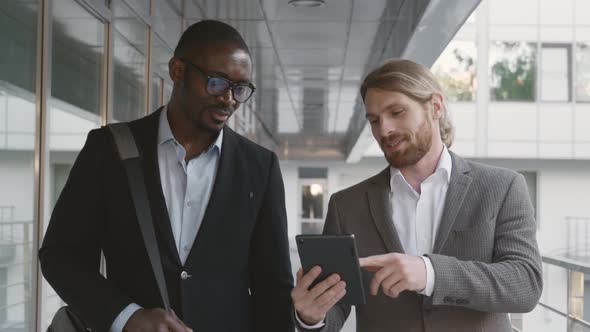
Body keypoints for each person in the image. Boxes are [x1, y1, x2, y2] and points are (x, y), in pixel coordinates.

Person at [40, 20, 294, 332]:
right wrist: (127, 316)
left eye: (239, 89)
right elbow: (62, 255)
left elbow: (274, 287)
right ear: (177, 70)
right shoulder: (109, 150)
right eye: (216, 83)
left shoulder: (260, 167)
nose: (228, 99)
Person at [291, 59, 542, 331]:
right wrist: (311, 317)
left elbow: (525, 284)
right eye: (374, 120)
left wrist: (430, 273)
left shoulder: (502, 187)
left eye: (396, 112)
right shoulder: (346, 205)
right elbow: (336, 303)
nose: (384, 129)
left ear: (435, 106)